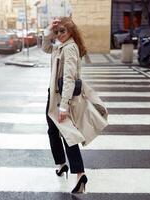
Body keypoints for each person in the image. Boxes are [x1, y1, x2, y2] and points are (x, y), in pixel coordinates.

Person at [42, 17, 108, 194]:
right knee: (52, 130)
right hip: (54, 94)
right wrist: (49, 30)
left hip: (62, 98)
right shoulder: (59, 46)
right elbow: (45, 47)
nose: (59, 34)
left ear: (71, 31)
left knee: (67, 133)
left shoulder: (70, 48)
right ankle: (62, 164)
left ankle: (80, 174)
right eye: (57, 31)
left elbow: (70, 78)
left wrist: (64, 106)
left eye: (62, 31)